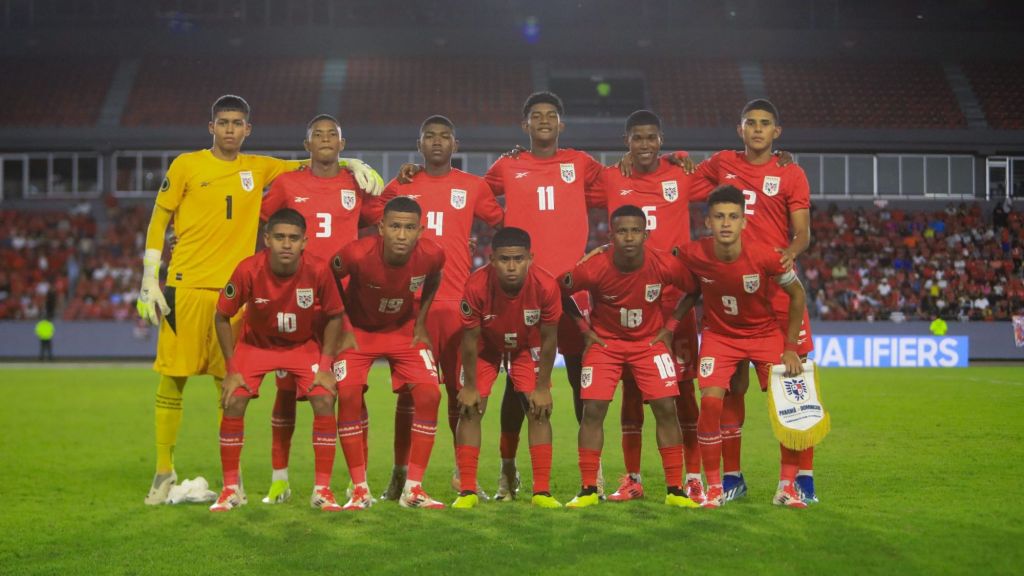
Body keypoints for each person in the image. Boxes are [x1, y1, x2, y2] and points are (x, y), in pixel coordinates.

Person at [137, 95, 382, 506]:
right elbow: (160, 217)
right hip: (187, 284)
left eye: (237, 123)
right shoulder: (186, 165)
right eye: (223, 123)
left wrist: (351, 162)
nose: (230, 130)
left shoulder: (260, 167)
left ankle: (230, 483)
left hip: (236, 294)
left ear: (247, 130)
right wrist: (149, 276)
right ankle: (164, 471)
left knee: (229, 386)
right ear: (211, 127)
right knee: (173, 378)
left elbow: (309, 162)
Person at [689, 99, 817, 503]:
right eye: (751, 123)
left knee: (795, 391)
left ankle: (801, 481)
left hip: (776, 293)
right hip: (732, 297)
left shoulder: (790, 173)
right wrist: (673, 159)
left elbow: (803, 233)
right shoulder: (722, 163)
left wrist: (789, 253)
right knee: (730, 390)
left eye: (765, 124)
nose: (758, 129)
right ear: (740, 129)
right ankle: (732, 479)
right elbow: (681, 183)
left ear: (776, 132)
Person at [257, 113, 384, 505]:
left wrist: (402, 176)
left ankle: (358, 482)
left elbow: (390, 216)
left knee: (351, 392)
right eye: (318, 135)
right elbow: (258, 223)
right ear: (306, 145)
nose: (326, 139)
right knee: (285, 392)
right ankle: (280, 479)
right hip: (293, 303)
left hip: (344, 305)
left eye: (333, 135)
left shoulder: (356, 183)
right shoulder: (287, 184)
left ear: (342, 145)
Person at [587, 110, 712, 504]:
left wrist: (682, 156)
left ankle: (693, 478)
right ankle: (632, 478)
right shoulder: (612, 178)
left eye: (651, 138)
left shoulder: (682, 175)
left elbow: (726, 176)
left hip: (674, 302)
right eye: (637, 138)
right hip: (627, 301)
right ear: (626, 141)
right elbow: (564, 190)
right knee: (630, 392)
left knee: (683, 391)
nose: (644, 144)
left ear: (661, 140)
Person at [483, 91, 604, 499]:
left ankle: (593, 473)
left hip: (574, 289)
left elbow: (621, 181)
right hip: (523, 290)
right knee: (519, 385)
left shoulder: (580, 163)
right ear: (525, 125)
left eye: (551, 115)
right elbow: (473, 194)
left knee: (583, 379)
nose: (544, 121)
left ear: (561, 123)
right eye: (536, 116)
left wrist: (678, 158)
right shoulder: (508, 165)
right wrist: (503, 222)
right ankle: (508, 469)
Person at [378, 115, 504, 500]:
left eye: (444, 136)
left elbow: (503, 224)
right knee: (409, 396)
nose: (436, 142)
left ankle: (464, 477)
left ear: (455, 145)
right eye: (429, 136)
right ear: (419, 144)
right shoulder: (401, 185)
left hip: (456, 306)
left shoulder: (473, 186)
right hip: (410, 308)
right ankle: (400, 474)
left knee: (460, 392)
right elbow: (371, 220)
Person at [671, 186, 807, 508]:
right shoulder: (694, 253)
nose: (726, 223)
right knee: (710, 404)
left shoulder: (766, 255)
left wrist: (790, 347)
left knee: (789, 404)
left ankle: (787, 487)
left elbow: (798, 295)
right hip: (719, 337)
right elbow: (656, 259)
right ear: (708, 222)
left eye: (733, 217)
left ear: (744, 222)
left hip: (764, 335)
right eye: (719, 217)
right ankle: (715, 488)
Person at [560, 205, 699, 509]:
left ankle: (675, 490)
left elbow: (694, 288)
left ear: (645, 234)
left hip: (649, 344)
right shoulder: (595, 266)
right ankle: (588, 488)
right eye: (622, 231)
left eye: (636, 231)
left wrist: (670, 327)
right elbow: (559, 287)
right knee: (592, 411)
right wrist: (584, 330)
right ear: (611, 235)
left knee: (666, 408)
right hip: (605, 345)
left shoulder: (663, 263)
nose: (629, 237)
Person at [209, 208, 347, 512]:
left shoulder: (318, 269)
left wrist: (325, 366)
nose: (287, 244)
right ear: (267, 239)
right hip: (256, 345)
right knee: (233, 400)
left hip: (301, 345)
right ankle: (230, 490)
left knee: (324, 398)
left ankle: (322, 490)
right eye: (280, 237)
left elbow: (336, 315)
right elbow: (221, 316)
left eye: (294, 238)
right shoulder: (248, 269)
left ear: (304, 242)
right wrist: (231, 369)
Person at [331, 197, 447, 510]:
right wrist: (344, 325)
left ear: (421, 230)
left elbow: (436, 276)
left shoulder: (433, 254)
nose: (401, 234)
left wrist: (421, 322)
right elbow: (330, 276)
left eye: (409, 228)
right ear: (381, 227)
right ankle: (359, 489)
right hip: (359, 333)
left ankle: (414, 488)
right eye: (395, 226)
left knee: (430, 394)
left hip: (403, 331)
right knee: (348, 393)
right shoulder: (357, 253)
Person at [453, 227, 561, 509]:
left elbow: (550, 340)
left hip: (527, 343)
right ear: (491, 259)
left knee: (539, 410)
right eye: (504, 259)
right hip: (485, 345)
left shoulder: (546, 286)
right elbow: (469, 339)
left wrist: (542, 388)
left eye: (518, 259)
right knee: (470, 408)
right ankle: (467, 490)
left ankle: (541, 491)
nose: (511, 267)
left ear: (530, 258)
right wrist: (470, 387)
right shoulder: (476, 286)